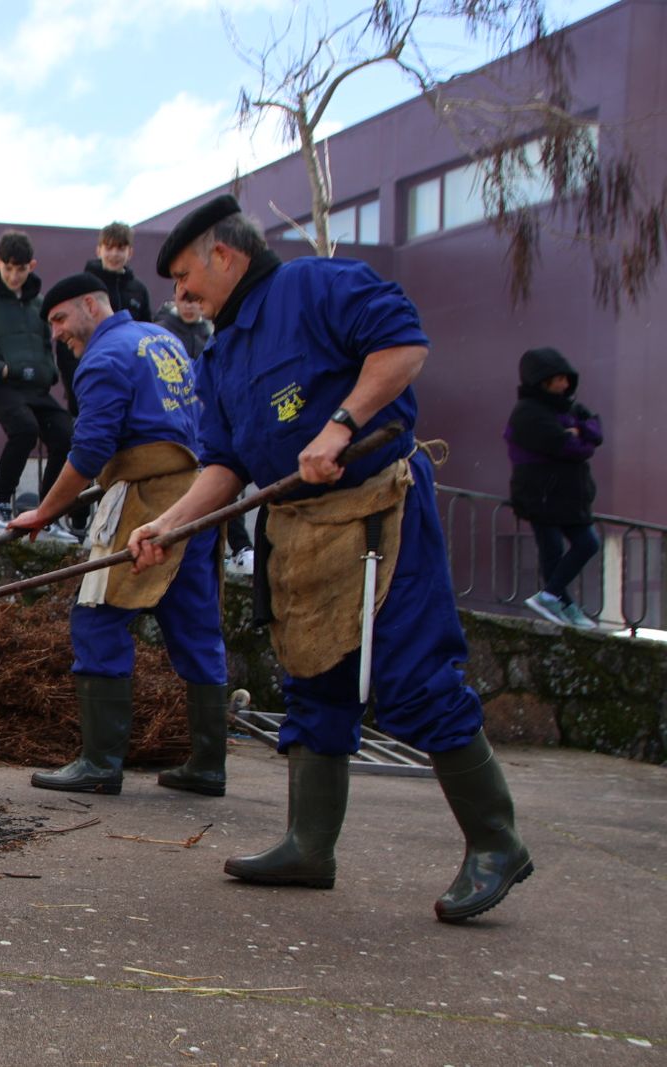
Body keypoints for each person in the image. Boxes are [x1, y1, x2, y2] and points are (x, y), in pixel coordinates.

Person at [126, 195, 532, 924]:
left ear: (225, 254)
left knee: (412, 673)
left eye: (186, 278)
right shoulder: (221, 354)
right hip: (301, 530)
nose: (180, 297)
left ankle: (496, 841)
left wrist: (341, 425)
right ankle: (309, 846)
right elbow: (224, 464)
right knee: (314, 681)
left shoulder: (319, 286)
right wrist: (170, 524)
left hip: (378, 506)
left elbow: (404, 347)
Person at [8, 273, 230, 797]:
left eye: (60, 319)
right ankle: (208, 766)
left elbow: (87, 453)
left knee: (98, 619)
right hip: (196, 498)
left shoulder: (104, 360)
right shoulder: (163, 340)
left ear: (91, 304)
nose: (58, 333)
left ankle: (100, 762)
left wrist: (43, 511)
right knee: (195, 624)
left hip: (148, 499)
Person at [0, 230, 74, 535]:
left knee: (66, 433)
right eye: (7, 268)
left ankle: (48, 515)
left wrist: (50, 373)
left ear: (30, 266)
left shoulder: (39, 304)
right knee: (24, 429)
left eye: (20, 269)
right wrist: (1, 369)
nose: (13, 275)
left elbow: (49, 345)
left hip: (34, 388)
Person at [505, 346, 603, 630]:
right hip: (541, 492)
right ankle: (558, 601)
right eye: (557, 379)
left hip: (567, 494)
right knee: (556, 550)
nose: (563, 385)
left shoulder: (570, 408)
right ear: (542, 381)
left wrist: (580, 433)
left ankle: (555, 599)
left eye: (565, 379)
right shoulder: (528, 413)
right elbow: (566, 446)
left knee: (582, 544)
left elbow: (595, 431)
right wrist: (579, 437)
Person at [156, 293, 253, 573]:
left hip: (213, 417)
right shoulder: (165, 329)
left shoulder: (209, 331)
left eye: (196, 301)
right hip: (184, 422)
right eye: (184, 300)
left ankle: (239, 546)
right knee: (213, 481)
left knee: (227, 481)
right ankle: (237, 545)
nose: (191, 306)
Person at [54, 222, 154, 417]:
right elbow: (66, 343)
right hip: (92, 379)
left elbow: (146, 335)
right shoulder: (81, 287)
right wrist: (76, 390)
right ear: (99, 250)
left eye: (120, 248)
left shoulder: (139, 290)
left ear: (130, 252)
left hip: (130, 382)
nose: (114, 254)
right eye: (109, 247)